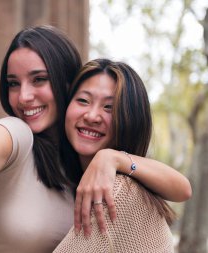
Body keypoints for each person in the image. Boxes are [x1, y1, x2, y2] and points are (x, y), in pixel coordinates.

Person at [0, 26, 190, 253]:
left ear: (67, 85)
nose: (24, 97)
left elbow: (181, 189)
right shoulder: (16, 134)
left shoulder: (93, 178)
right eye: (13, 83)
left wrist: (112, 157)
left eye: (39, 79)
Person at [53, 59, 176, 252]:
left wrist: (113, 157)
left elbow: (184, 189)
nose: (92, 116)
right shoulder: (72, 182)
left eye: (109, 107)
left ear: (130, 120)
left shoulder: (118, 192)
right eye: (83, 100)